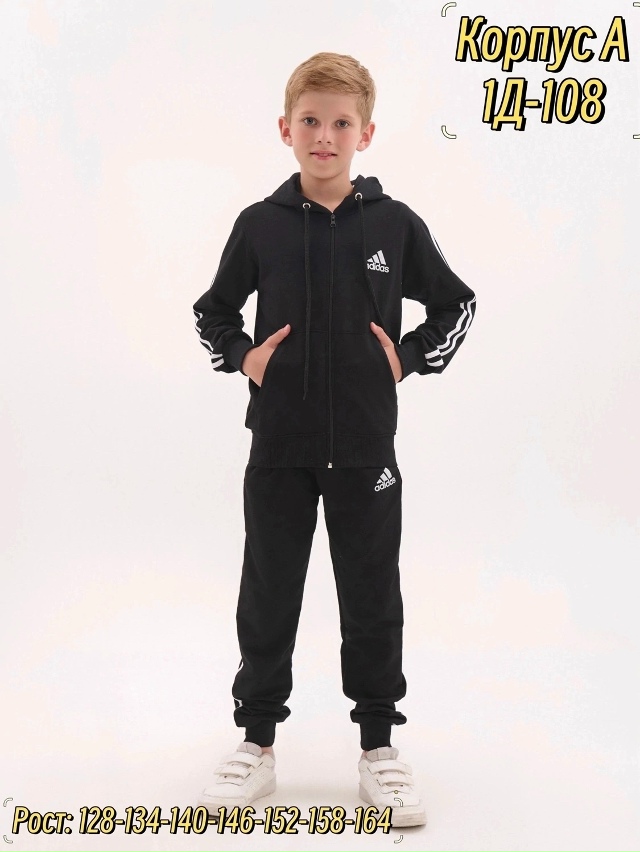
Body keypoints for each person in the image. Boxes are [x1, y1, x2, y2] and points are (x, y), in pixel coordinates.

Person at [192, 51, 476, 828]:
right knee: (268, 593)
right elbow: (212, 311)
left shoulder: (393, 225)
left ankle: (379, 748)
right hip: (278, 448)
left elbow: (456, 305)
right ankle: (255, 744)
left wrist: (407, 358)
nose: (325, 136)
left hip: (365, 450)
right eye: (311, 121)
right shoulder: (260, 225)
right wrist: (243, 356)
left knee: (372, 595)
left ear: (366, 134)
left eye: (341, 123)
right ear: (285, 129)